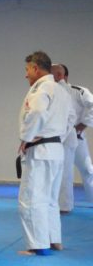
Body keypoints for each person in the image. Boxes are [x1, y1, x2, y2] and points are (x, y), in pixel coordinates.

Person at [17, 51, 70, 256]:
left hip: (40, 151)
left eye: (27, 69)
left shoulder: (42, 88)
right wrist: (55, 138)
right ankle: (53, 239)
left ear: (36, 68)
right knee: (50, 198)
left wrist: (26, 137)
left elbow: (37, 112)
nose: (26, 75)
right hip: (56, 149)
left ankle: (37, 244)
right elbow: (69, 121)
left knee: (31, 198)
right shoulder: (61, 90)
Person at [51, 64, 93, 213]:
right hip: (59, 138)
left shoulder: (78, 91)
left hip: (77, 136)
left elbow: (92, 105)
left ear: (63, 75)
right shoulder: (49, 92)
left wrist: (82, 125)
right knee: (64, 172)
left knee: (88, 170)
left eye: (54, 73)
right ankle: (65, 206)